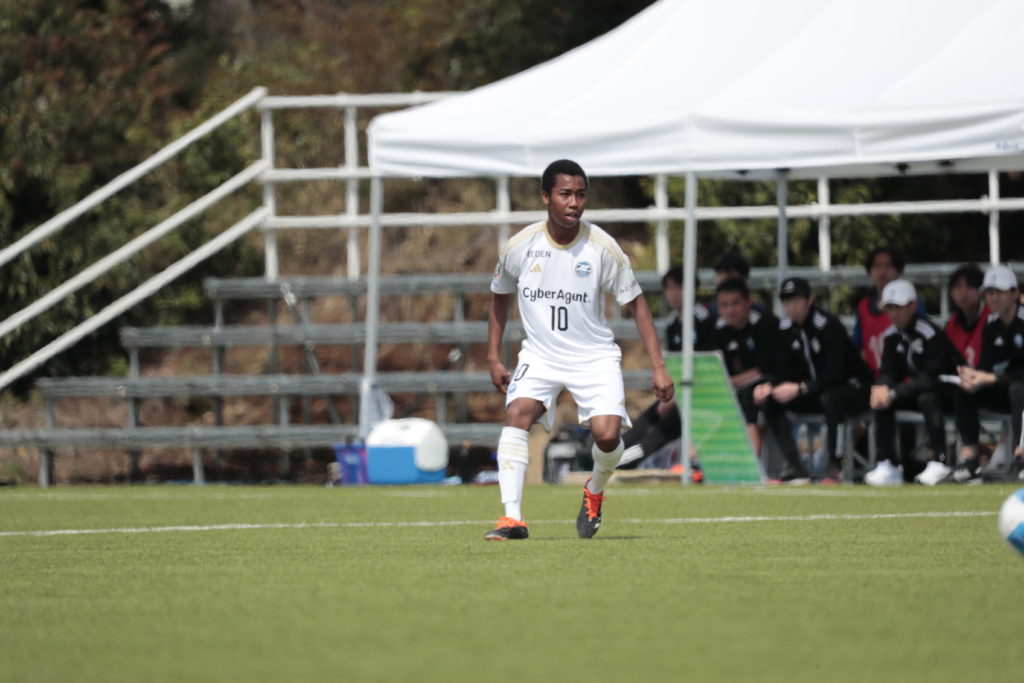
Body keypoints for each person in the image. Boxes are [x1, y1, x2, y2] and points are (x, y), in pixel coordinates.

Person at [485, 159, 673, 541]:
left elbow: (637, 306)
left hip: (593, 357)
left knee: (607, 436)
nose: (574, 203)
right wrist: (493, 356)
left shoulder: (603, 248)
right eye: (565, 194)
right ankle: (512, 519)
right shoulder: (520, 247)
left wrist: (658, 365)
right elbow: (499, 295)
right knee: (517, 414)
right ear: (545, 196)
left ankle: (595, 490)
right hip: (540, 355)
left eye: (581, 194)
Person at [754, 277, 873, 483]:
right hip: (815, 391)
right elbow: (783, 370)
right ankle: (794, 465)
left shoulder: (828, 325)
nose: (792, 307)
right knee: (771, 401)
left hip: (852, 388)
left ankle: (834, 466)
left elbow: (836, 373)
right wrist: (769, 386)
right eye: (787, 301)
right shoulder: (784, 329)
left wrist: (801, 388)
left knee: (831, 398)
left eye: (796, 300)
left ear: (809, 299)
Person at [865, 279, 963, 486]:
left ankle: (938, 461)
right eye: (889, 308)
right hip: (917, 391)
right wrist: (881, 388)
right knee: (882, 401)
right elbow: (889, 371)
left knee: (927, 398)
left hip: (949, 391)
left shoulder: (929, 333)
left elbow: (933, 376)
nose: (893, 314)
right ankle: (887, 463)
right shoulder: (892, 336)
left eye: (898, 307)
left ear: (912, 306)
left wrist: (894, 392)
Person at [617, 266, 714, 474]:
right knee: (645, 420)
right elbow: (674, 365)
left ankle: (624, 463)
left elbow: (707, 366)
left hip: (701, 394)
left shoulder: (705, 320)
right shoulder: (672, 324)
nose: (673, 294)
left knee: (661, 431)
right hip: (679, 392)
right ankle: (608, 454)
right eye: (669, 288)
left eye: (678, 287)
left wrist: (677, 397)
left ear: (692, 288)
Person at [954, 265, 1024, 483]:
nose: (993, 298)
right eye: (989, 292)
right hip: (1005, 389)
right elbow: (986, 365)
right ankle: (970, 462)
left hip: (1019, 391)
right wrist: (973, 376)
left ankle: (1021, 459)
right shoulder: (991, 324)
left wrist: (991, 378)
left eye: (999, 292)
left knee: (1018, 389)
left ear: (1015, 293)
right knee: (965, 390)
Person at [707, 277, 778, 456]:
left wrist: (729, 382)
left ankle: (752, 460)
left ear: (748, 302)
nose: (730, 310)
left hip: (769, 384)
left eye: (735, 303)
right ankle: (694, 459)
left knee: (750, 396)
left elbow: (765, 369)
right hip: (735, 387)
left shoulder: (765, 324)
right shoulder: (718, 331)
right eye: (724, 305)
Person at [852, 247, 926, 378]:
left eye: (888, 265)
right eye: (877, 266)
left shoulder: (912, 303)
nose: (882, 271)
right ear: (869, 272)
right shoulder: (863, 307)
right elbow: (857, 347)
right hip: (875, 380)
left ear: (898, 270)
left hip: (908, 380)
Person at [945, 263, 989, 369]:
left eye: (970, 286)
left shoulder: (992, 319)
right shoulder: (951, 325)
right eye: (958, 287)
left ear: (981, 291)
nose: (963, 293)